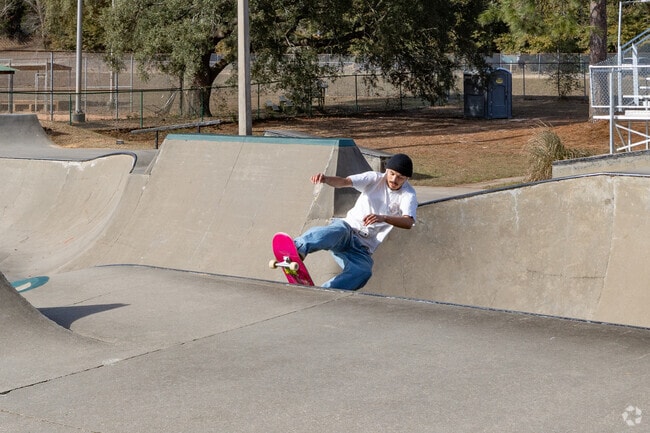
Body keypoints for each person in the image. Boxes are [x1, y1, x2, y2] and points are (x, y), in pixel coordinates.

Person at [294, 153, 418, 290]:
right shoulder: (374, 178)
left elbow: (408, 222)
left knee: (363, 271)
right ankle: (299, 248)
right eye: (392, 174)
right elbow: (344, 182)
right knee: (333, 231)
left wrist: (384, 217)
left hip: (362, 248)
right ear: (387, 171)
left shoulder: (408, 194)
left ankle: (328, 291)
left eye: (400, 177)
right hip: (348, 230)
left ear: (407, 178)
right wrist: (325, 179)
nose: (394, 179)